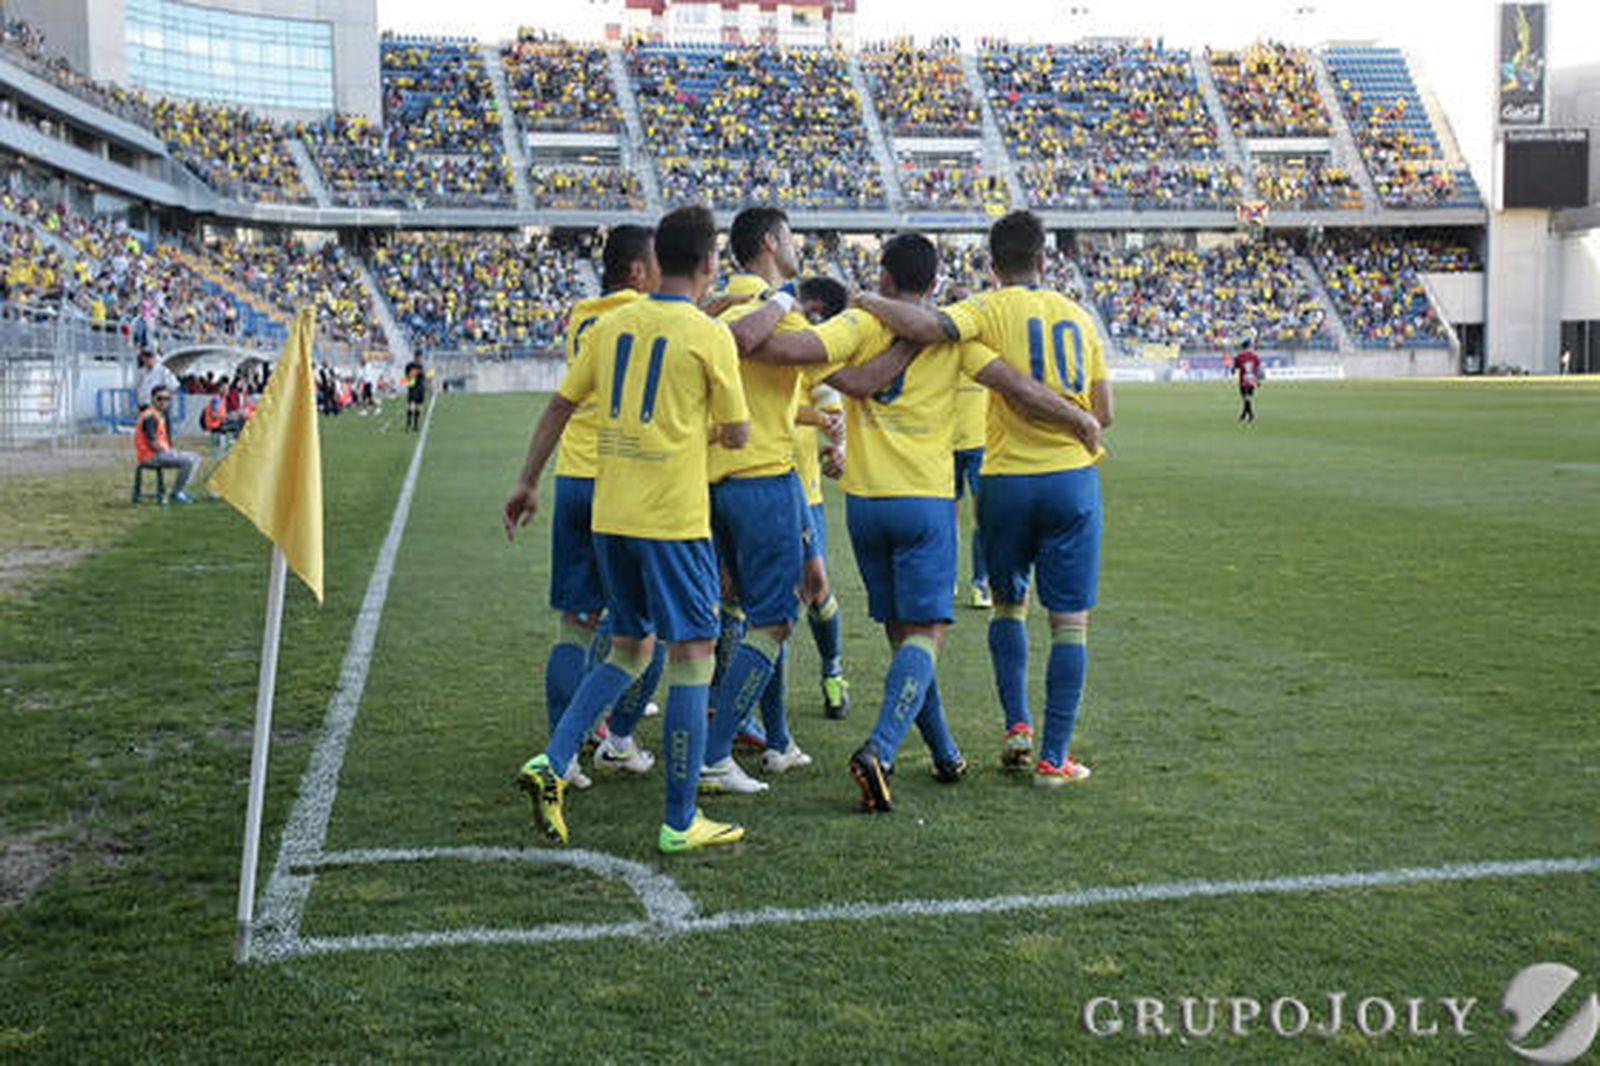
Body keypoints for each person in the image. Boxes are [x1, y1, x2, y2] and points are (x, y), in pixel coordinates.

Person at [745, 233, 1102, 810]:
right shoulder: (957, 340)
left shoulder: (860, 325)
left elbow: (799, 353)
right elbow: (1018, 387)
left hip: (865, 502)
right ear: (933, 285)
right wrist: (1081, 421)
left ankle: (943, 752)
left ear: (884, 279)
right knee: (927, 636)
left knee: (900, 636)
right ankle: (880, 749)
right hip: (926, 503)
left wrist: (745, 337)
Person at [504, 205, 752, 854]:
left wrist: (527, 479)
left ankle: (554, 761)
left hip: (610, 513)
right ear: (706, 263)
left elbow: (562, 402)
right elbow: (739, 432)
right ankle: (679, 820)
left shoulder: (611, 326)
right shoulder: (708, 335)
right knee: (693, 658)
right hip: (673, 520)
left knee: (628, 648)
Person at [853, 211, 1113, 786]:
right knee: (1069, 623)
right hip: (1070, 477)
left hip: (1004, 481)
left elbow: (925, 328)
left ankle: (1016, 726)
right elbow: (1106, 413)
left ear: (993, 267)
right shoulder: (1079, 314)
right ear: (1045, 261)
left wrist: (866, 301)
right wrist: (1076, 421)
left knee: (1007, 607)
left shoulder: (985, 308)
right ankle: (1054, 758)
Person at [539, 224, 662, 783]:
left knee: (574, 622)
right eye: (658, 262)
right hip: (620, 478)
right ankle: (617, 735)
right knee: (649, 624)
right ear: (638, 271)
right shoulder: (640, 316)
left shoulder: (582, 313)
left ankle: (561, 748)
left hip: (571, 475)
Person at [795, 275, 852, 719]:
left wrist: (839, 447)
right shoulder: (755, 323)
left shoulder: (810, 349)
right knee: (733, 593)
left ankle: (832, 671)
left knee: (815, 585)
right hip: (737, 477)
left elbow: (834, 411)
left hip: (799, 485)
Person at [952, 367, 991, 609]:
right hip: (946, 445)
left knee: (983, 517)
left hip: (980, 445)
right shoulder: (943, 352)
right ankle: (947, 580)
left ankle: (980, 583)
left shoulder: (983, 353)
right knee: (946, 516)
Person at [135, 386, 202, 504]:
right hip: (150, 455)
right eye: (160, 398)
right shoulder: (150, 416)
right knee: (188, 462)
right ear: (152, 399)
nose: (163, 402)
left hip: (159, 453)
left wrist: (170, 451)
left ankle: (181, 490)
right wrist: (169, 452)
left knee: (196, 457)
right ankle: (176, 493)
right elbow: (152, 443)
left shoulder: (160, 414)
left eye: (167, 399)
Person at [1233, 341, 1263, 423]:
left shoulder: (1239, 356)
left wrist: (1233, 371)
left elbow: (1234, 368)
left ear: (1242, 347)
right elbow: (1259, 368)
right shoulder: (1254, 356)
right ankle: (1243, 415)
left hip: (1243, 379)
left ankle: (1250, 415)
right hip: (1252, 379)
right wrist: (1258, 380)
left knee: (1246, 398)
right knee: (1247, 398)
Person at [403, 349, 429, 432]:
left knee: (418, 406)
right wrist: (412, 376)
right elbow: (406, 378)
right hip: (413, 387)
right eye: (420, 357)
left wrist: (427, 375)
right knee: (411, 405)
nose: (420, 358)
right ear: (416, 357)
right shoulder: (410, 365)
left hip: (420, 387)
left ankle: (415, 425)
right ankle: (409, 424)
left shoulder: (421, 366)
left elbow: (424, 377)